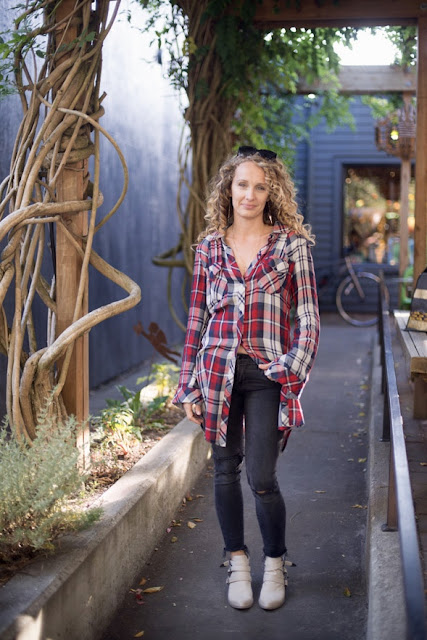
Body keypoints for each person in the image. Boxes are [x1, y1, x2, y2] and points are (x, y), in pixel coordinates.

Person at [173, 145, 320, 611]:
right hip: (216, 371)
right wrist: (188, 384)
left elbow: (309, 317)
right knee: (223, 470)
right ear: (229, 188)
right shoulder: (209, 248)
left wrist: (290, 368)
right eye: (243, 185)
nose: (250, 195)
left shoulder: (291, 245)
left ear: (271, 192)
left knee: (261, 476)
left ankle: (274, 562)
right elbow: (196, 321)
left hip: (266, 373)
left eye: (260, 186)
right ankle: (237, 560)